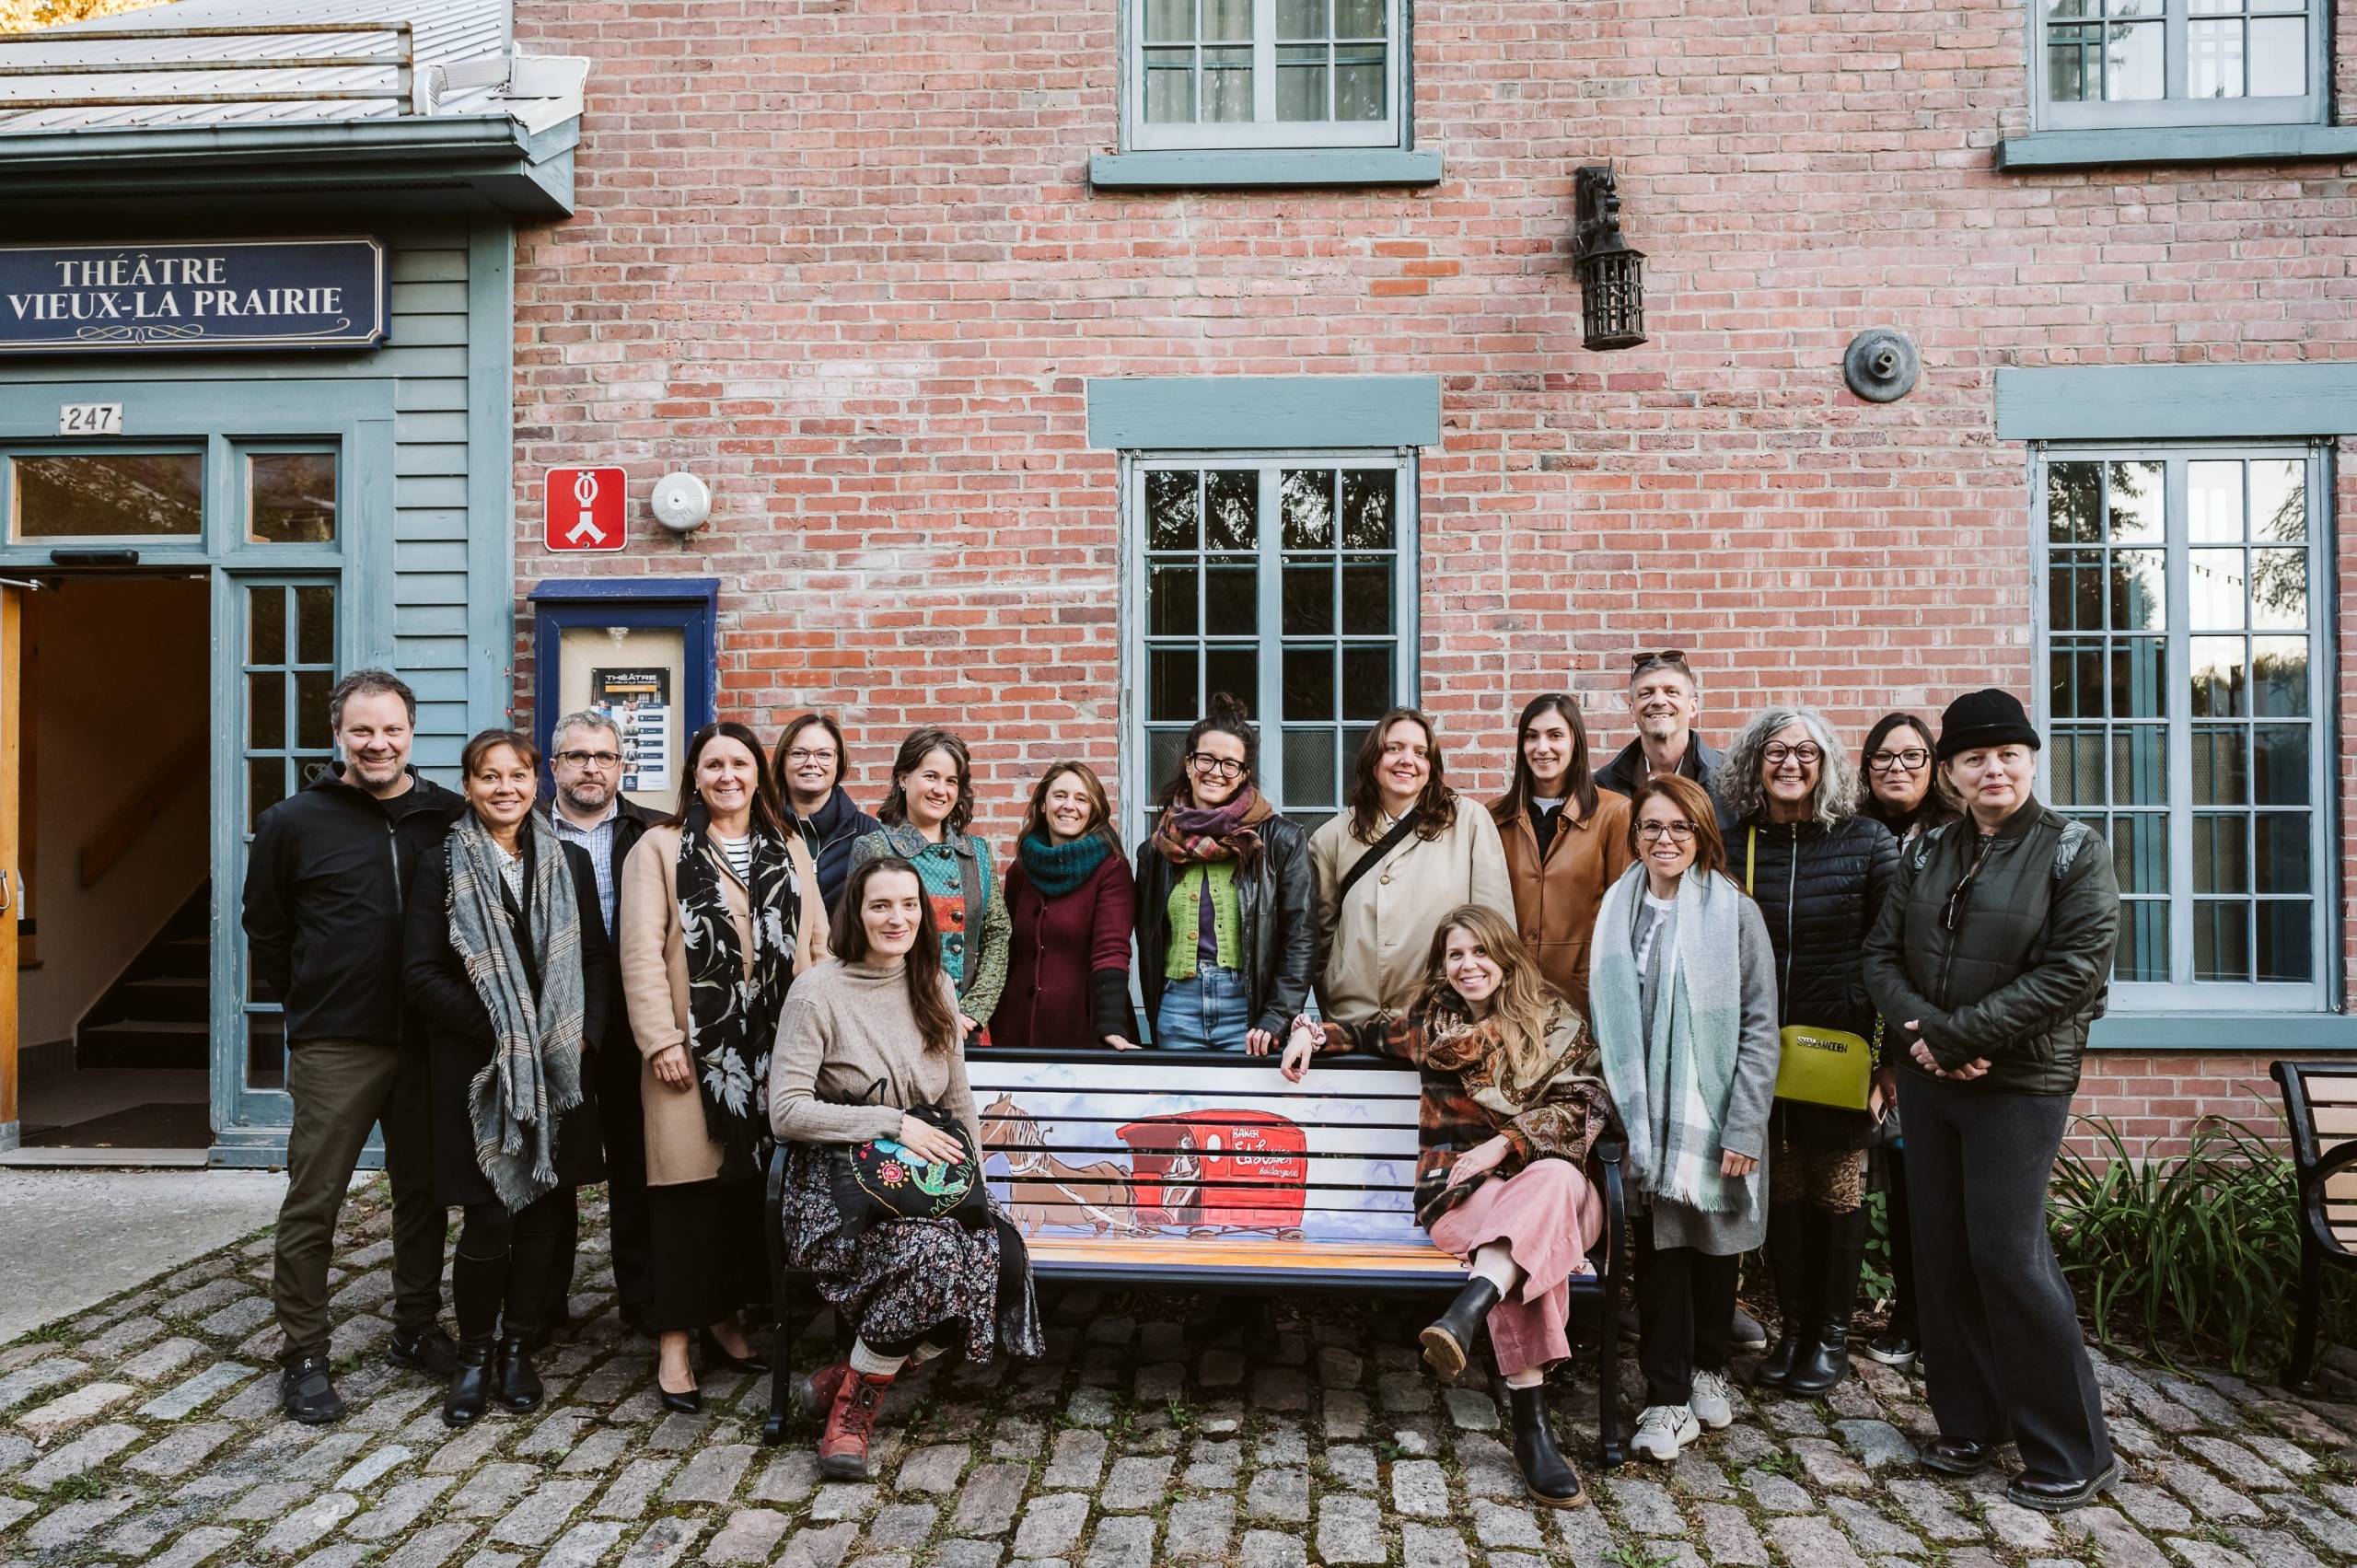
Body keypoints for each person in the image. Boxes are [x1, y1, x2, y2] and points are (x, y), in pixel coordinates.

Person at [1864, 689, 2121, 1514]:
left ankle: (2076, 1448)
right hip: (1935, 1077)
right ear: (1952, 771)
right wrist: (1927, 1036)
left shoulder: (2073, 851)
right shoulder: (1927, 849)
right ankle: (1972, 1421)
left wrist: (1965, 1036)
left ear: (2031, 760)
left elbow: (2075, 968)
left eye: (2007, 753)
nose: (1992, 769)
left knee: (2010, 1255)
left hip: (2019, 1084)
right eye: (1974, 757)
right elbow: (1882, 953)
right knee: (1943, 1254)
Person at [1284, 905, 1611, 1508]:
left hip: (1553, 1188)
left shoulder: (1555, 1020)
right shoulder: (1427, 1022)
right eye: (1455, 954)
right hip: (1459, 1192)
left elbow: (1587, 1101)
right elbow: (1355, 1032)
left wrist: (1504, 1142)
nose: (1468, 965)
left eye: (1480, 951)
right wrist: (1307, 1030)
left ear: (1505, 955)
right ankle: (1532, 1432)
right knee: (1513, 1244)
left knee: (1553, 1179)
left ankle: (1467, 1312)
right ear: (1443, 964)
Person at [772, 854, 1044, 1479]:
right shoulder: (818, 991)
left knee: (1000, 1260)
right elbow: (786, 1112)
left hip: (927, 1181)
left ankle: (856, 1366)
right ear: (856, 913)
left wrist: (976, 1187)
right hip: (839, 1185)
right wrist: (892, 1123)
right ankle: (852, 1411)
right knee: (929, 1259)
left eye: (909, 905)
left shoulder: (935, 983)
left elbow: (956, 1099)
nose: (897, 918)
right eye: (880, 905)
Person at [242, 669, 465, 1423]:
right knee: (315, 1200)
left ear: (411, 732)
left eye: (392, 729)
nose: (378, 743)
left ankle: (413, 1327)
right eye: (363, 730)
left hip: (429, 1042)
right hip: (338, 1041)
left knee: (423, 1193)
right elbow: (266, 929)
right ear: (339, 732)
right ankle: (303, 1351)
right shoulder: (292, 821)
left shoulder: (447, 814)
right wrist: (307, 1001)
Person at [404, 729, 612, 1426]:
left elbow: (593, 961)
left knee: (547, 1211)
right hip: (478, 1069)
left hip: (558, 1066)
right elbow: (422, 973)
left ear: (536, 782)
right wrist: (503, 1029)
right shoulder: (442, 862)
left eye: (517, 774)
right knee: (490, 1214)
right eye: (488, 776)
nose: (505, 788)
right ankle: (474, 1355)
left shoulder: (570, 862)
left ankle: (520, 1349)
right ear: (468, 786)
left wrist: (580, 1036)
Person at [620, 721, 830, 1412]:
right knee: (685, 1195)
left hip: (775, 1053)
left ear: (757, 774)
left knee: (747, 1192)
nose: (728, 775)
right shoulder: (658, 846)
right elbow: (642, 952)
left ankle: (727, 1320)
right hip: (691, 1050)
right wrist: (659, 1039)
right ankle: (674, 1343)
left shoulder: (790, 845)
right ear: (695, 775)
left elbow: (819, 945)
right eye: (714, 764)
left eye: (740, 762)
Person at [1588, 774, 1779, 1464]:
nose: (1663, 839)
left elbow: (1761, 1026)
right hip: (1646, 1115)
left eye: (1678, 828)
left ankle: (1707, 1367)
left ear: (1701, 834)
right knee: (1662, 1254)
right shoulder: (1618, 908)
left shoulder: (1735, 913)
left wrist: (1744, 1122)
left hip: (1715, 1108)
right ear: (1635, 834)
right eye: (1651, 827)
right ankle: (1666, 1398)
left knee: (1715, 1248)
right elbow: (1609, 1018)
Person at [1715, 708, 1897, 1397]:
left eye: (1805, 751)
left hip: (1844, 1050)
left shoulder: (1866, 842)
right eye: (1775, 750)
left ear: (1826, 763)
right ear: (1754, 762)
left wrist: (1888, 1065)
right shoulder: (1732, 843)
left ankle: (1830, 1335)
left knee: (1839, 1190)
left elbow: (1890, 954)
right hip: (1762, 1052)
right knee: (1784, 1191)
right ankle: (1792, 1329)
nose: (1790, 763)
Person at [543, 710, 660, 1339]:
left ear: (621, 767)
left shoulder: (652, 832)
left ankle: (641, 1298)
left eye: (606, 756)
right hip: (560, 1025)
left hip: (635, 1023)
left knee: (637, 1163)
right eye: (579, 755)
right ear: (555, 765)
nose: (593, 767)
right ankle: (546, 1299)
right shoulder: (525, 832)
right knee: (556, 1164)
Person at [1852, 712, 1958, 1373]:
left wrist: (1900, 1058)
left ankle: (1938, 1324)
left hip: (1934, 1043)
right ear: (1866, 768)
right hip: (1868, 1042)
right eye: (1884, 758)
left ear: (1934, 765)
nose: (1897, 768)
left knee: (1935, 1196)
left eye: (1911, 756)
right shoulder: (1856, 836)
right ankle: (1907, 1317)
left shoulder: (1955, 838)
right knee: (1890, 1195)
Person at [1134, 695, 1318, 1052]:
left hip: (1248, 1014)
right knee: (1181, 1109)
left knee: (1246, 1110)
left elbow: (1301, 935)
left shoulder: (1281, 841)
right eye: (1206, 759)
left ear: (1243, 774)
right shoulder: (1155, 852)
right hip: (1176, 1009)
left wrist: (1278, 1014)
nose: (1216, 772)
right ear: (1189, 764)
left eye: (1230, 764)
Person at [1310, 708, 1513, 1031]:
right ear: (1373, 758)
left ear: (1431, 767)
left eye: (1421, 753)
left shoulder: (1469, 821)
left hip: (1444, 1020)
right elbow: (1320, 942)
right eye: (1394, 748)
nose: (1408, 760)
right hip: (1356, 1022)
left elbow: (1495, 926)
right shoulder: (1331, 838)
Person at [851, 729, 1008, 1041]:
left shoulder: (976, 852)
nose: (941, 790)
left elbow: (998, 933)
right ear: (903, 778)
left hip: (968, 1031)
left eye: (951, 781)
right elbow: (858, 941)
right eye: (931, 777)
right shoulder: (874, 849)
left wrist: (972, 1012)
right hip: (898, 1027)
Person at [1492, 693, 1633, 1017]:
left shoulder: (1614, 813)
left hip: (1583, 999)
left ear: (1575, 743)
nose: (1542, 748)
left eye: (1555, 736)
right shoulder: (1495, 816)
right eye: (1531, 736)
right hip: (1508, 1000)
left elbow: (1621, 916)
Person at [990, 762, 1138, 1051]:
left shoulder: (1111, 869)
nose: (1069, 806)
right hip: (1015, 1030)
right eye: (1060, 796)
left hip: (1084, 1030)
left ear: (1093, 810)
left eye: (1081, 799)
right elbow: (1008, 949)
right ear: (1043, 805)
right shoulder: (1021, 870)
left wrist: (1110, 1023)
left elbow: (1112, 949)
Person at [774, 712, 884, 919]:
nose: (811, 762)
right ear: (782, 761)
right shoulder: (762, 828)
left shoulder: (868, 833)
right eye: (799, 753)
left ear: (838, 763)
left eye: (824, 754)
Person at [1595, 651, 1723, 797]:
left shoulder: (1732, 778)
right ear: (1632, 710)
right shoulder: (1604, 787)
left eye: (1672, 692)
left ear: (1692, 707)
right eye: (1646, 693)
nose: (1658, 701)